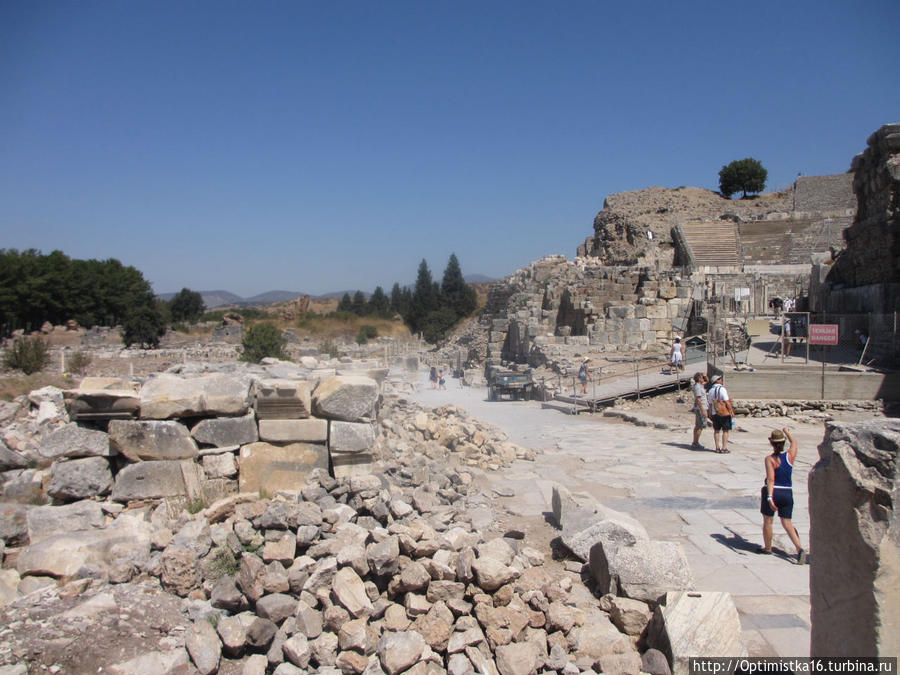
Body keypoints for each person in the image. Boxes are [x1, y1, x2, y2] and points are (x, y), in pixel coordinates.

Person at [759, 428, 806, 564]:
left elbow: (771, 479)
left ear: (771, 443)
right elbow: (795, 442)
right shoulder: (790, 456)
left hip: (775, 491)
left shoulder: (770, 459)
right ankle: (799, 549)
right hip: (787, 492)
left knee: (768, 521)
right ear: (783, 442)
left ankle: (768, 548)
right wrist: (788, 432)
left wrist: (769, 497)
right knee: (787, 523)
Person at [707, 374, 734, 454]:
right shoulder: (722, 389)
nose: (721, 380)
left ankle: (717, 447)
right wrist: (731, 410)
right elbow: (726, 401)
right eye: (720, 379)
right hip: (724, 413)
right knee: (725, 430)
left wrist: (710, 413)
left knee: (716, 430)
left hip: (715, 412)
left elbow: (711, 404)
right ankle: (724, 447)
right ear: (717, 380)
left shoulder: (710, 390)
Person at [691, 372, 709, 449]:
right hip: (701, 408)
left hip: (702, 407)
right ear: (699, 379)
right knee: (700, 426)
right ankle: (695, 442)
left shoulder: (700, 385)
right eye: (702, 377)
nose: (703, 379)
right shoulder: (698, 387)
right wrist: (703, 410)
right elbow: (698, 399)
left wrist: (705, 376)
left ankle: (695, 442)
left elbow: (707, 381)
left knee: (698, 426)